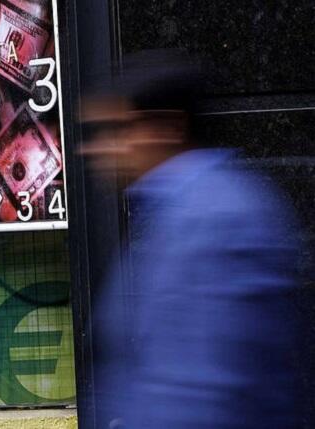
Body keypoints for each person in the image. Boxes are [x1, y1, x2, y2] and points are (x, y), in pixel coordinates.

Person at [82, 50, 303, 429]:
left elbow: (199, 399)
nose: (95, 148)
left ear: (167, 127)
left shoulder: (213, 220)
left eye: (117, 129)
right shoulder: (175, 211)